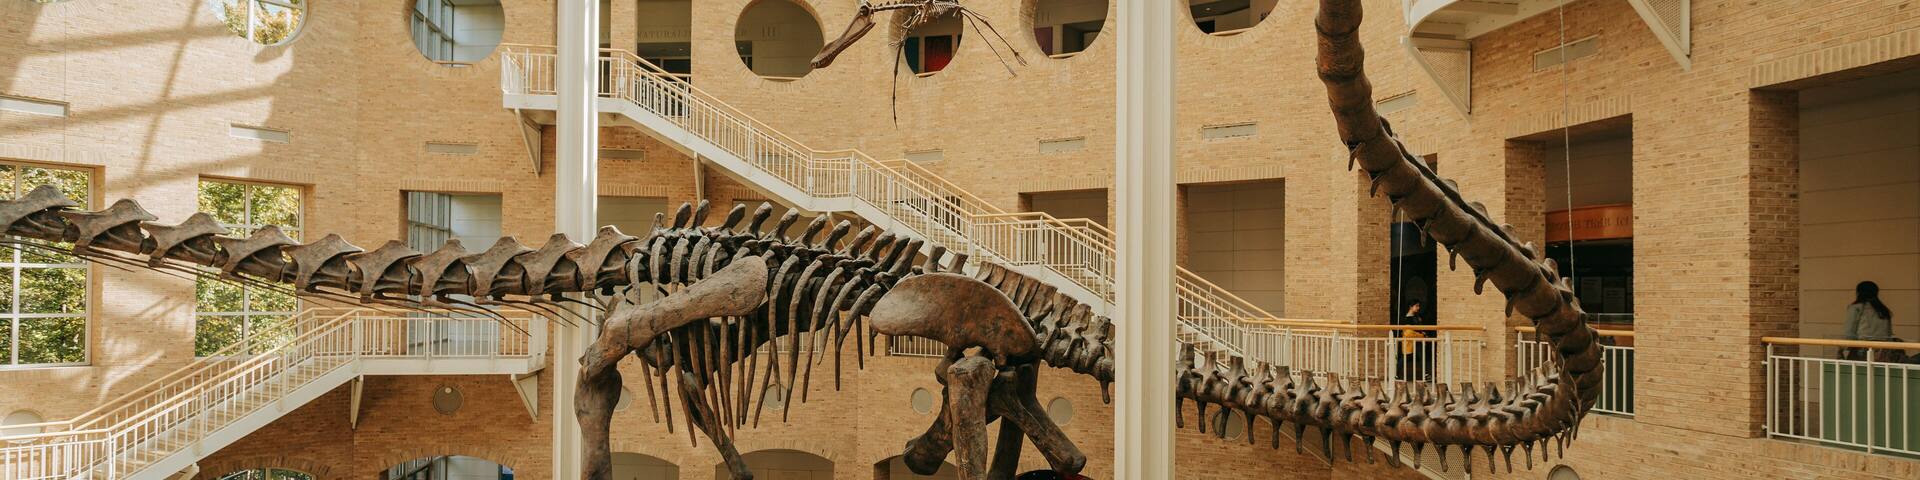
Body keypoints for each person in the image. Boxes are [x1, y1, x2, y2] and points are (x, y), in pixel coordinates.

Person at [1842, 281, 1895, 360]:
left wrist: (1844, 347)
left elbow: (1850, 331)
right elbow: (1889, 333)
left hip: (1862, 349)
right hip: (1882, 351)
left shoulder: (1856, 308)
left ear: (1858, 292)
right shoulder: (1883, 310)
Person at [1397, 300, 1435, 382]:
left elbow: (1419, 328)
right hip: (1410, 341)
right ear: (1411, 307)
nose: (1418, 308)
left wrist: (1423, 333)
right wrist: (1422, 335)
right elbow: (1408, 332)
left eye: (1418, 306)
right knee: (1405, 357)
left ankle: (1426, 374)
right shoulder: (1406, 318)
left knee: (1421, 356)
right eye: (1416, 306)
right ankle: (1396, 374)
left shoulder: (1417, 316)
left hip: (1418, 340)